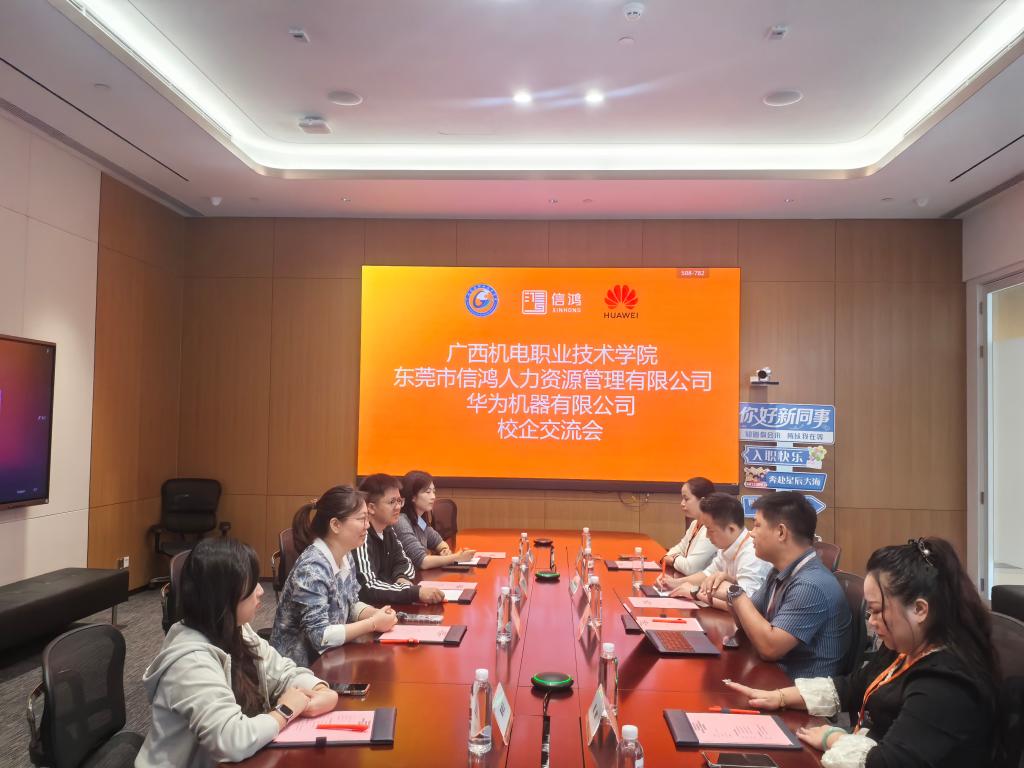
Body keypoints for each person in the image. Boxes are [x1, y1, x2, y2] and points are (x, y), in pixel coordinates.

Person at [725, 537, 999, 768]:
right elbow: (854, 686)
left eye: (878, 611)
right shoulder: (907, 647)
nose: (871, 621)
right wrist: (779, 696)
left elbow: (887, 762)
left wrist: (832, 737)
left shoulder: (945, 684)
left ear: (919, 609)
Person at [136, 537, 339, 768]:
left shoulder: (238, 630)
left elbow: (283, 672)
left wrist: (320, 690)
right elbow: (231, 740)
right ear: (223, 594)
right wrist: (284, 711)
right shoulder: (191, 662)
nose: (261, 591)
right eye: (252, 585)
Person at [726, 491, 851, 679]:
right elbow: (747, 621)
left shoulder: (810, 585)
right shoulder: (778, 571)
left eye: (757, 525)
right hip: (775, 676)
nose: (751, 533)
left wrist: (736, 594)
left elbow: (770, 648)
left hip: (797, 687)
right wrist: (733, 593)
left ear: (781, 532)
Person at [271, 485, 399, 666]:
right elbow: (320, 636)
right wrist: (372, 623)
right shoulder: (312, 567)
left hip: (331, 658)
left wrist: (375, 613)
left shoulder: (345, 555)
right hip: (298, 668)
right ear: (335, 525)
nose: (367, 525)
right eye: (362, 519)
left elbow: (351, 604)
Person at [656, 492, 771, 609]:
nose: (707, 535)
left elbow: (746, 606)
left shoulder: (752, 554)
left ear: (731, 529)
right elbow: (707, 574)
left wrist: (695, 593)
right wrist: (675, 583)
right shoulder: (727, 545)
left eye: (710, 530)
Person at [354, 473, 444, 605]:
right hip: (371, 609)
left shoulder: (388, 529)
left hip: (388, 604)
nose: (398, 507)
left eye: (399, 501)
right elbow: (368, 587)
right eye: (392, 502)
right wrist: (414, 592)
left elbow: (405, 562)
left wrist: (402, 578)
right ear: (371, 508)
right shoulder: (361, 535)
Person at [660, 476, 718, 576]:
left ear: (702, 501)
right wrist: (670, 557)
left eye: (686, 499)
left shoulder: (712, 528)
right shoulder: (694, 524)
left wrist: (673, 559)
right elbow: (678, 549)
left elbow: (690, 568)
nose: (682, 503)